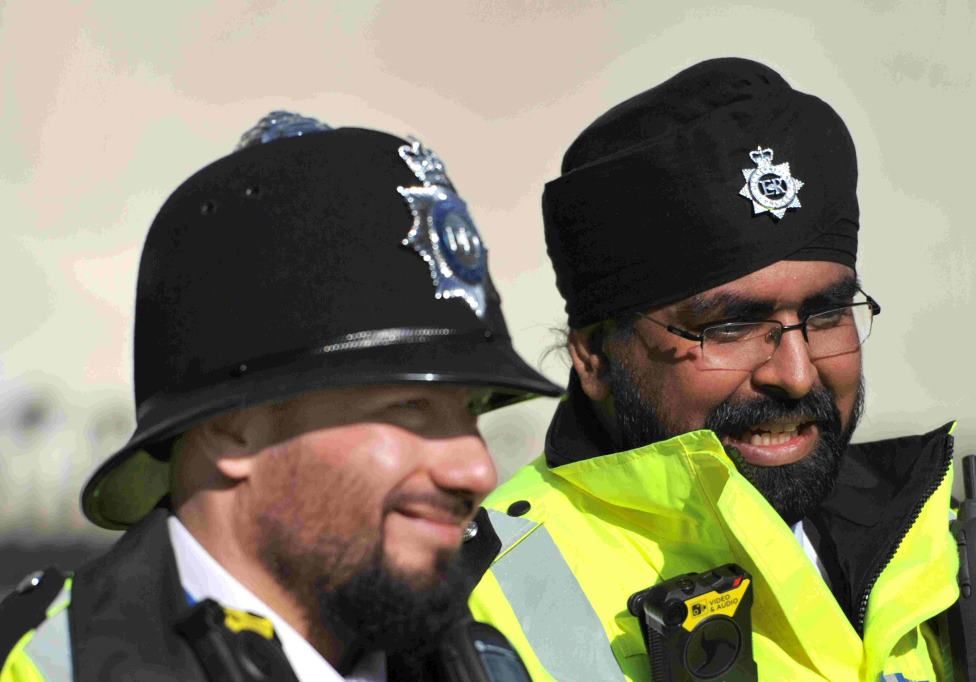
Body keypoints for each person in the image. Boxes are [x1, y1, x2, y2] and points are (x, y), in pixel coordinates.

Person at [0, 111, 561, 681]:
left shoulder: (475, 665)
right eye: (409, 408)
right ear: (233, 427)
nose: (476, 469)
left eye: (470, 410)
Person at [466, 59, 961, 681]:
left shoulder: (934, 539)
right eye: (730, 327)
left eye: (829, 313)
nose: (798, 373)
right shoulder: (473, 606)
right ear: (593, 354)